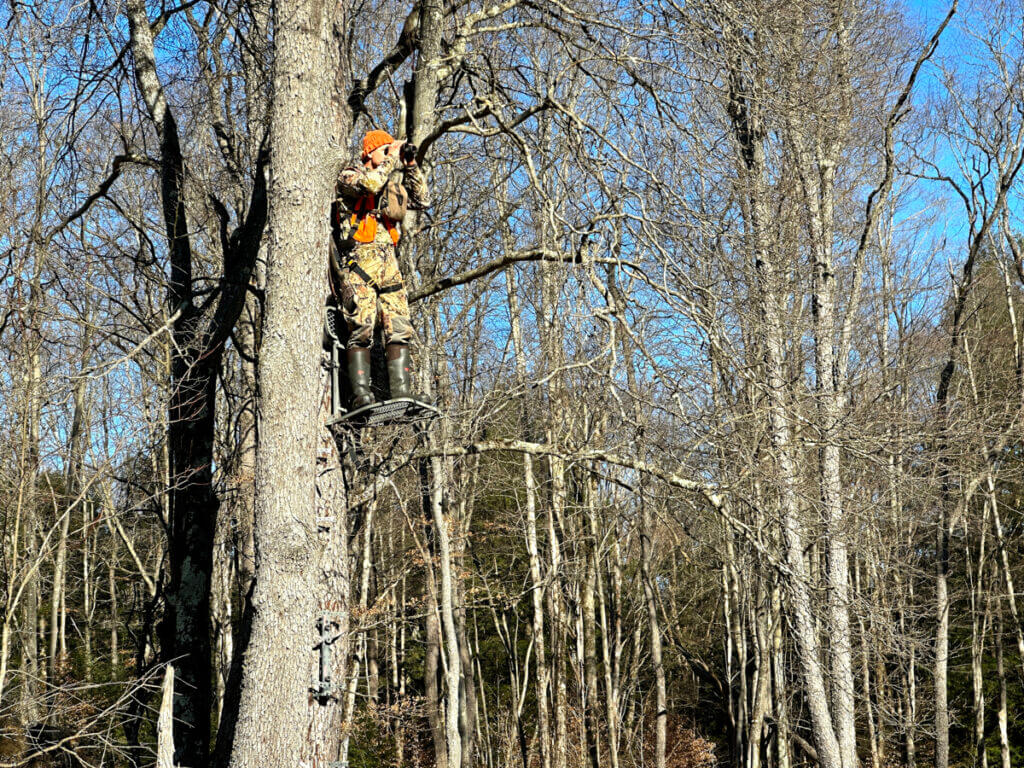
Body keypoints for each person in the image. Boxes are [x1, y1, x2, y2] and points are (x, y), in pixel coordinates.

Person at [333, 129, 431, 408]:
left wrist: (410, 164)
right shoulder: (349, 176)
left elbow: (422, 200)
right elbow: (370, 185)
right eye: (384, 149)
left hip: (389, 265)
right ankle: (360, 395)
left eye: (391, 149)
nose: (390, 154)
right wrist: (390, 158)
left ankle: (401, 392)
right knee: (361, 326)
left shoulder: (391, 184)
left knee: (399, 327)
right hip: (358, 263)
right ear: (369, 153)